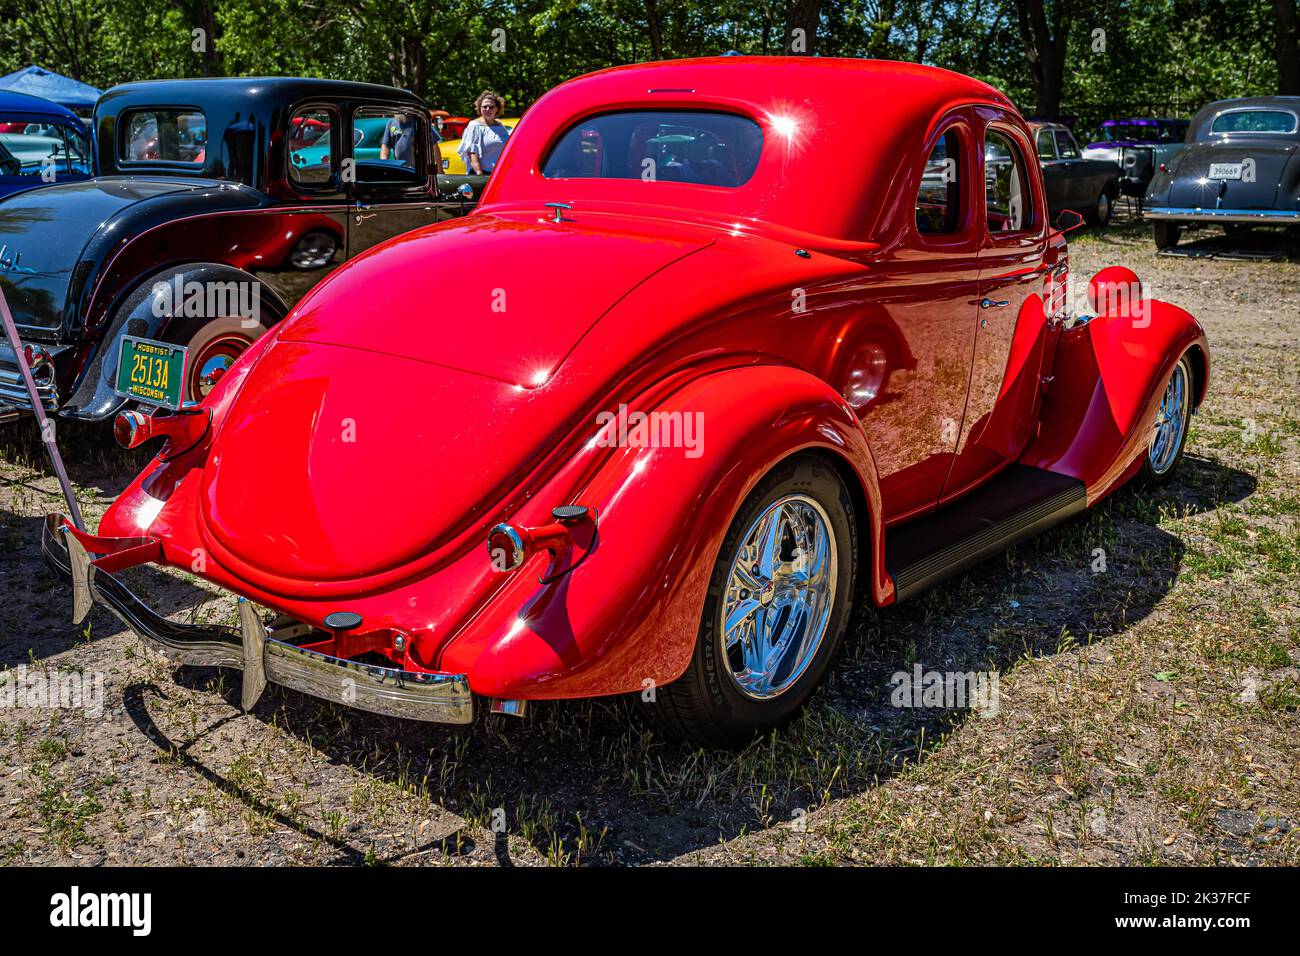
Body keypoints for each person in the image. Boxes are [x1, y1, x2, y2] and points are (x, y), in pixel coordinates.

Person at [458, 90, 511, 174]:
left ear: (497, 108)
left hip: (498, 174)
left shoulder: (500, 125)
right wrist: (479, 173)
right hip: (482, 175)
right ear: (480, 108)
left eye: (491, 107)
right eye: (484, 107)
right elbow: (472, 153)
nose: (487, 109)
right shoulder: (474, 126)